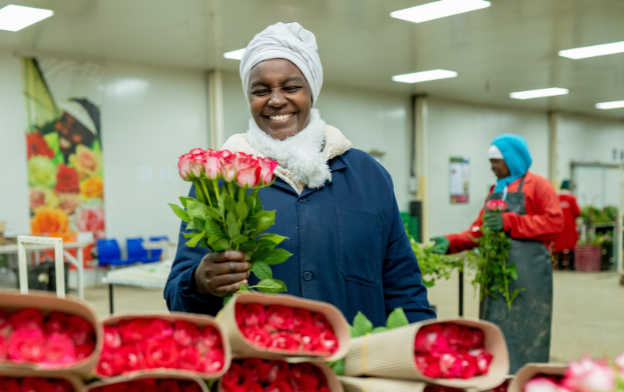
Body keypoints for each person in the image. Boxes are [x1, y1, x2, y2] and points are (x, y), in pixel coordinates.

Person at [164, 22, 435, 326]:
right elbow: (177, 299)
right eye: (261, 90)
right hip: (260, 365)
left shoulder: (368, 176)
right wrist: (200, 282)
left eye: (291, 87)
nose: (276, 100)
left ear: (312, 91)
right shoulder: (219, 183)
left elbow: (404, 285)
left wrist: (422, 349)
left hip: (359, 364)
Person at [429, 134, 563, 372]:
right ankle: (497, 374)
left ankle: (528, 375)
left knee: (528, 326)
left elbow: (555, 223)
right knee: (496, 327)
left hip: (529, 278)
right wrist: (450, 242)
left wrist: (510, 221)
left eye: (496, 161)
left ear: (512, 160)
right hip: (496, 277)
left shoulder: (539, 185)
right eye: (491, 162)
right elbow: (479, 232)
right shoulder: (495, 191)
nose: (492, 167)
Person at [553, 180, 581, 270]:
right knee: (571, 245)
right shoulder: (572, 199)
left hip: (558, 225)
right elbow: (577, 212)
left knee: (559, 245)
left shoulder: (556, 198)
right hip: (570, 226)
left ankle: (560, 266)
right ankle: (571, 266)